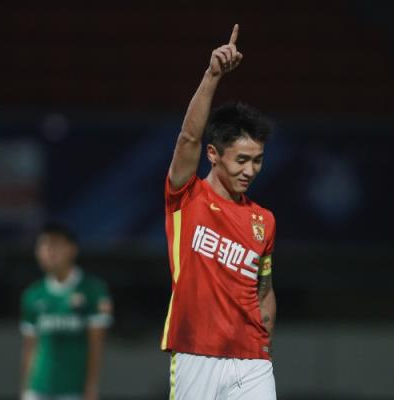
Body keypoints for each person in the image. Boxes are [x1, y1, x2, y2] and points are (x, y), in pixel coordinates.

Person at [160, 24, 277, 399]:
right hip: (196, 354)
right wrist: (212, 76)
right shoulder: (186, 196)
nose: (250, 170)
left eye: (257, 160)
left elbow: (264, 289)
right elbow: (188, 138)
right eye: (241, 160)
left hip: (253, 361)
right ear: (213, 154)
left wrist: (263, 343)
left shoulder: (263, 220)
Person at [20, 223, 113, 400]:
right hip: (38, 387)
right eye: (43, 246)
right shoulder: (33, 294)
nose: (49, 251)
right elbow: (30, 347)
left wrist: (91, 387)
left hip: (74, 390)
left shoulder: (93, 290)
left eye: (55, 244)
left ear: (72, 249)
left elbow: (96, 345)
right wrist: (25, 388)